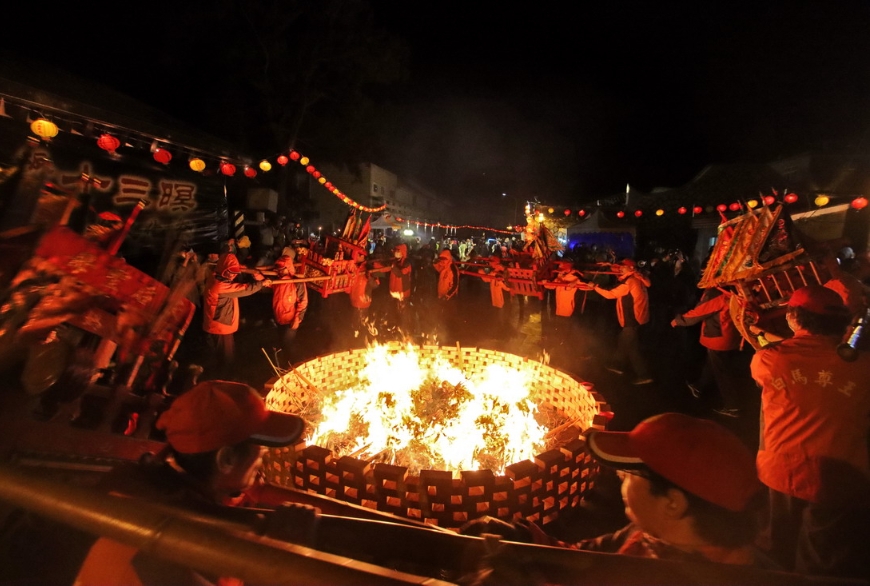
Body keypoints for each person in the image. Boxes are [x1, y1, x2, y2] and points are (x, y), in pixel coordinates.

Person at [463, 413, 772, 568]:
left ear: (673, 503)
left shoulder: (717, 577)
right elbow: (580, 559)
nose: (619, 478)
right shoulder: (647, 538)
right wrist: (522, 539)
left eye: (629, 474)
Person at [74, 380, 306, 585]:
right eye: (261, 444)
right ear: (226, 459)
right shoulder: (189, 540)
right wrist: (287, 561)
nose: (264, 454)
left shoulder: (137, 480)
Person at [749, 284, 870, 579]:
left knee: (776, 549)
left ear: (793, 317)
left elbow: (784, 357)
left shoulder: (768, 359)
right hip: (838, 476)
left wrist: (758, 332)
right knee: (821, 562)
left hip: (780, 472)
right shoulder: (863, 365)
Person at [671, 287, 749, 417]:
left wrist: (679, 320)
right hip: (730, 332)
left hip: (718, 336)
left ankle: (733, 405)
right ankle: (699, 386)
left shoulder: (716, 292)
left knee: (722, 371)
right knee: (714, 363)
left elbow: (700, 312)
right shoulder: (733, 287)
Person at [582, 258, 653, 385]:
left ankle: (643, 374)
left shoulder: (630, 281)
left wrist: (595, 286)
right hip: (638, 317)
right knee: (627, 344)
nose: (620, 268)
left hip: (632, 318)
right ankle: (617, 365)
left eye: (623, 266)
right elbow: (617, 271)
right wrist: (609, 265)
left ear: (631, 268)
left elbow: (610, 294)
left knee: (630, 346)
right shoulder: (637, 278)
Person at [202, 253, 270, 367]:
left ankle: (219, 371)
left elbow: (231, 271)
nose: (233, 275)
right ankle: (225, 375)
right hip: (220, 327)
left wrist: (244, 269)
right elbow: (244, 289)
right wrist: (261, 284)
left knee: (220, 355)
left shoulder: (215, 275)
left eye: (235, 272)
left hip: (216, 324)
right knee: (226, 358)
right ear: (223, 269)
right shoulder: (219, 286)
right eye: (230, 272)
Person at [270, 249, 308, 365]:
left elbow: (303, 301)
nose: (280, 271)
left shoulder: (296, 282)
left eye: (282, 269)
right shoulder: (277, 282)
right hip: (279, 318)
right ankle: (282, 364)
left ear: (288, 267)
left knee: (288, 344)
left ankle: (292, 365)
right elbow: (267, 284)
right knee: (281, 342)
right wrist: (257, 276)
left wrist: (297, 318)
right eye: (279, 269)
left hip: (291, 320)